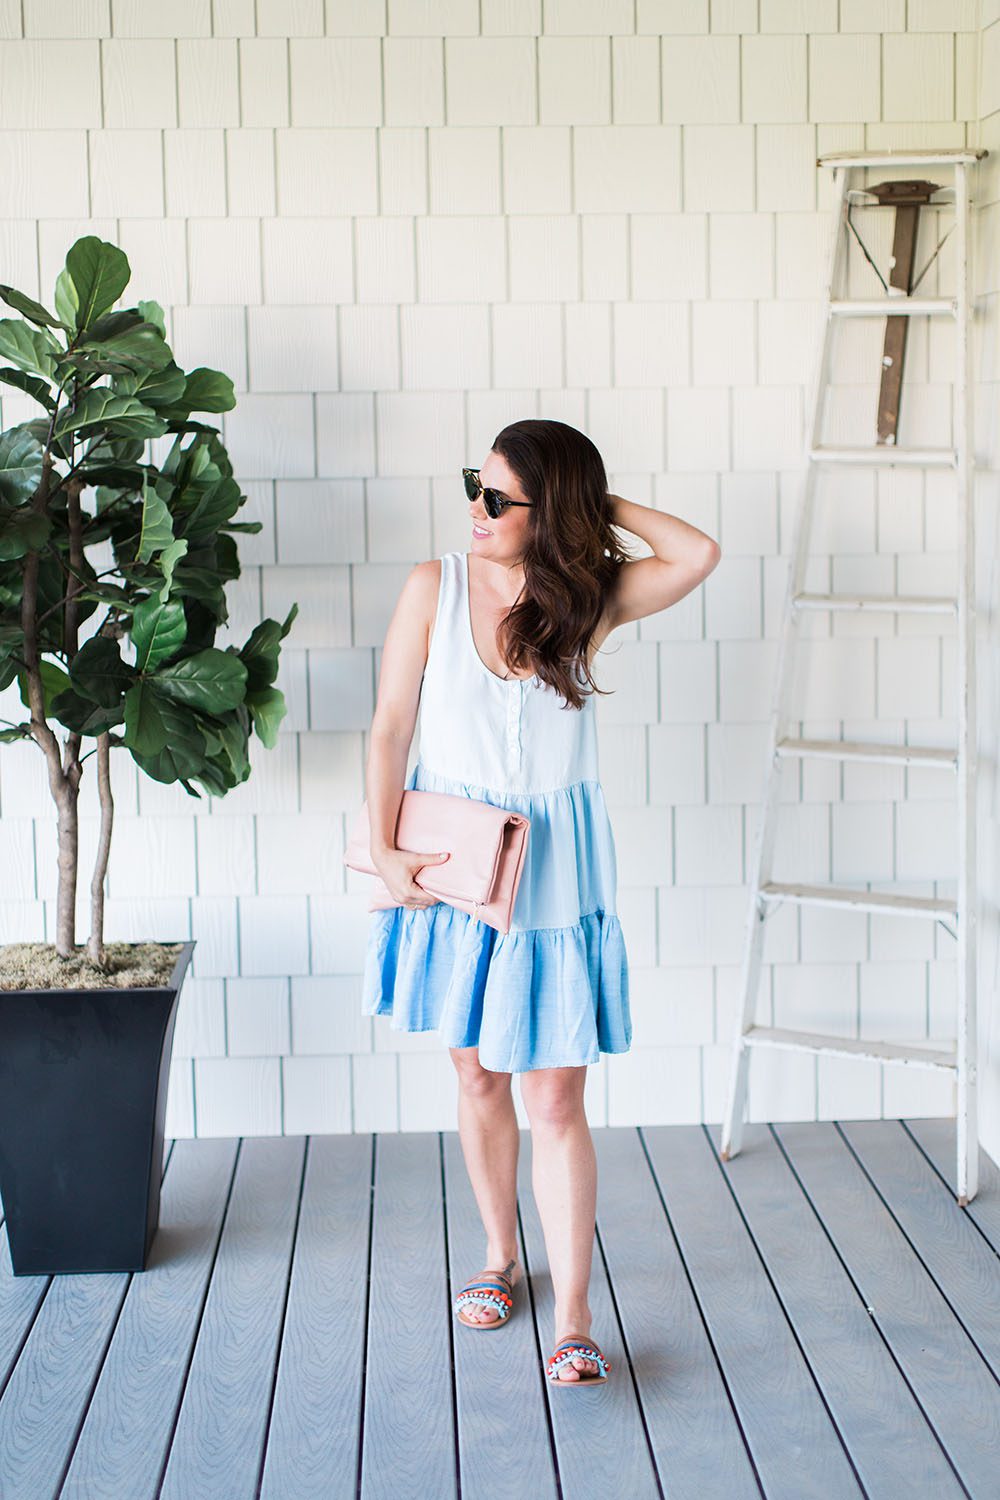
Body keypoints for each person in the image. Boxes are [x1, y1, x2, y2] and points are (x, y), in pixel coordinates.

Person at [360, 418, 720, 1386]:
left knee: (555, 1092)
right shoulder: (431, 588)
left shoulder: (585, 599)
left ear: (546, 512)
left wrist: (589, 511)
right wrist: (386, 843)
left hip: (555, 878)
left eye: (498, 498)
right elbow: (390, 725)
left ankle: (572, 1310)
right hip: (458, 865)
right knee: (477, 1074)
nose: (474, 509)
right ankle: (499, 1254)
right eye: (474, 486)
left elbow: (697, 553)